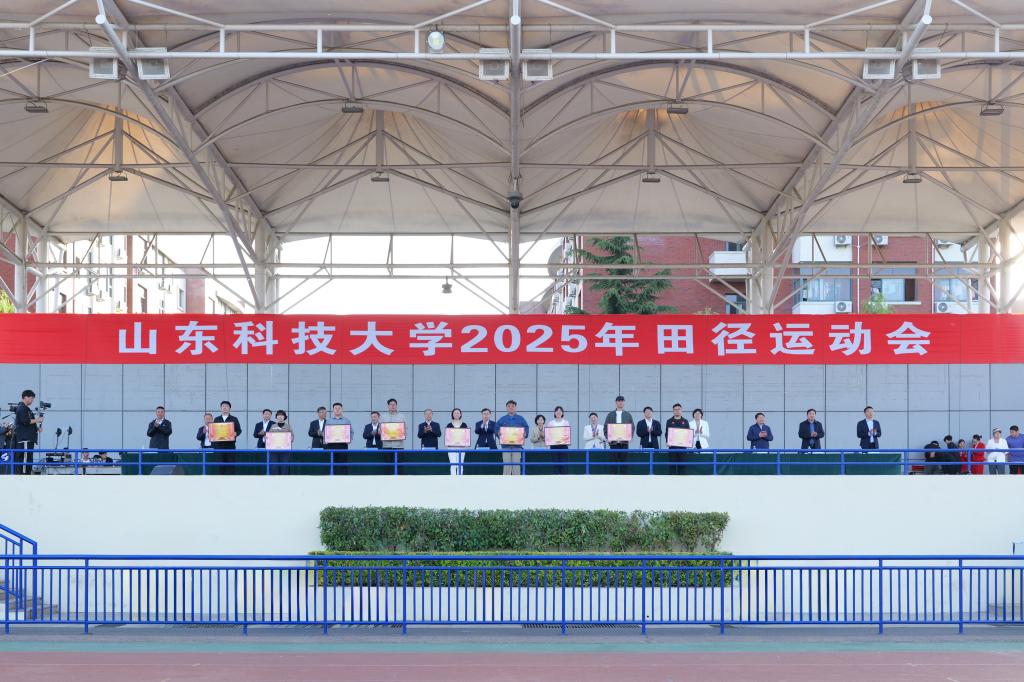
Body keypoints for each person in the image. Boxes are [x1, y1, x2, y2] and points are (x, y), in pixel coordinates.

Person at [496, 400, 529, 475]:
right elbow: (496, 428)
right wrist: (498, 433)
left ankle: (516, 481)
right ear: (506, 408)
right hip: (505, 446)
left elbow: (526, 427)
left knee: (516, 465)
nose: (511, 407)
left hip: (517, 446)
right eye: (509, 406)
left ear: (515, 408)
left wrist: (525, 433)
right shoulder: (502, 419)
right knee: (506, 465)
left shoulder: (521, 418)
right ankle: (506, 480)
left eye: (513, 406)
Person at [13, 389, 41, 475]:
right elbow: (26, 421)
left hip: (29, 439)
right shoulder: (21, 408)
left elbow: (28, 422)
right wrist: (37, 420)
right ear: (25, 397)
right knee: (25, 458)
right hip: (25, 439)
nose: (32, 400)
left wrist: (37, 428)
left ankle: (27, 474)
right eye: (31, 398)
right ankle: (24, 475)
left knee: (28, 458)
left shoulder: (27, 409)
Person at [603, 396, 634, 474]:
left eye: (622, 401)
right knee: (613, 463)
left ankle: (624, 477)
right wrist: (608, 437)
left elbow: (632, 427)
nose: (620, 402)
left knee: (624, 463)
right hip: (613, 443)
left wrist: (630, 437)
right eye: (619, 401)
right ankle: (613, 478)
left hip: (624, 443)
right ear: (616, 402)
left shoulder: (628, 415)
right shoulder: (610, 414)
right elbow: (605, 427)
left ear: (624, 402)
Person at [467, 408, 500, 475]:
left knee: (493, 460)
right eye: (484, 414)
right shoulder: (478, 423)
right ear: (482, 415)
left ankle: (492, 473)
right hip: (481, 443)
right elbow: (477, 431)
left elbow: (493, 431)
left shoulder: (493, 423)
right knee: (479, 460)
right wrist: (482, 426)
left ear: (490, 415)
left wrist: (487, 425)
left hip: (491, 444)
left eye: (487, 414)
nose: (486, 415)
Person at [212, 401, 241, 475]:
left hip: (230, 445)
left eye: (226, 406)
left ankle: (231, 479)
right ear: (221, 408)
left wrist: (236, 433)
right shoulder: (216, 419)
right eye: (223, 406)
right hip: (219, 446)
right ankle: (221, 479)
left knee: (231, 464)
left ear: (229, 408)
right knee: (220, 464)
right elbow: (214, 431)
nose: (225, 408)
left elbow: (239, 430)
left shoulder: (234, 419)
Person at [325, 403, 352, 475]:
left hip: (343, 445)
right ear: (333, 410)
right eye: (335, 408)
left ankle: (344, 478)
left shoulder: (346, 421)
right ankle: (332, 478)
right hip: (331, 445)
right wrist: (326, 439)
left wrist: (349, 440)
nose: (337, 410)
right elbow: (326, 432)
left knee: (343, 463)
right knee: (332, 462)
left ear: (342, 410)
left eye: (339, 408)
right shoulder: (329, 421)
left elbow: (351, 432)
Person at [665, 403, 690, 474]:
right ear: (673, 411)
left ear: (681, 410)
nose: (677, 411)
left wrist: (688, 442)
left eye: (679, 409)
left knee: (682, 465)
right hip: (672, 447)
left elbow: (688, 433)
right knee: (672, 465)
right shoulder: (669, 421)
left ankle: (682, 478)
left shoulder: (685, 421)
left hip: (682, 447)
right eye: (675, 410)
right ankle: (671, 479)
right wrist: (668, 441)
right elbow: (667, 433)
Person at [445, 408, 470, 475]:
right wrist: (447, 443)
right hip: (451, 447)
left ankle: (460, 477)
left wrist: (466, 443)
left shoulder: (464, 424)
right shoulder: (449, 425)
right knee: (453, 464)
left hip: (462, 447)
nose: (456, 414)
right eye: (455, 413)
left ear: (460, 414)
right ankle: (453, 478)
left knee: (460, 463)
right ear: (452, 414)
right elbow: (447, 436)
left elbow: (466, 436)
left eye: (458, 413)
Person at [267, 409, 293, 475]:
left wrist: (290, 439)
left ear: (284, 417)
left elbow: (292, 437)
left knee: (284, 467)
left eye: (282, 415)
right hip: (274, 451)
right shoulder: (273, 426)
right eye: (278, 415)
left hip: (285, 451)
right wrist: (266, 438)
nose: (280, 416)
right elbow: (269, 437)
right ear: (276, 417)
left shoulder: (288, 426)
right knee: (274, 467)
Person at [548, 406, 571, 475]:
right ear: (554, 413)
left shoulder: (566, 422)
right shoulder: (550, 423)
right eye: (557, 411)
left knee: (564, 463)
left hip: (563, 445)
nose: (558, 412)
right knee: (555, 463)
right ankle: (556, 478)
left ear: (562, 413)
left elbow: (567, 434)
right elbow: (549, 434)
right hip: (554, 446)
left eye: (560, 411)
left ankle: (564, 478)